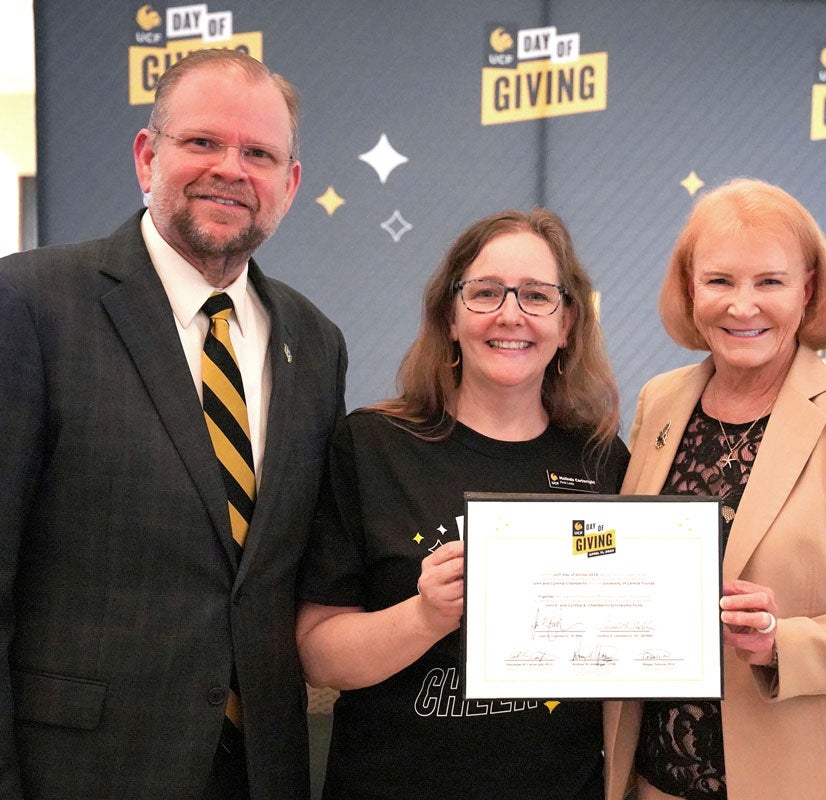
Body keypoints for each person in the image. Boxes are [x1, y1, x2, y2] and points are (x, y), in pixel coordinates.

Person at [0, 49, 347, 800]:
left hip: (261, 770)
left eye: (259, 153)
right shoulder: (29, 305)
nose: (231, 168)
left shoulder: (316, 343)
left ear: (288, 185)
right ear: (145, 156)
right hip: (80, 772)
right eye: (202, 143)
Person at [604, 178, 826, 800]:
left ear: (808, 290)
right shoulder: (659, 400)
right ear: (689, 288)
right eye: (720, 281)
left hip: (801, 778)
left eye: (770, 282)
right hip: (654, 780)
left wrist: (783, 643)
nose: (742, 306)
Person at [297, 208, 630, 800]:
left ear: (568, 322)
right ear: (450, 316)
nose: (510, 314)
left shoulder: (602, 462)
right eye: (485, 293)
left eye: (536, 295)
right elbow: (318, 656)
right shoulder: (372, 447)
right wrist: (425, 616)